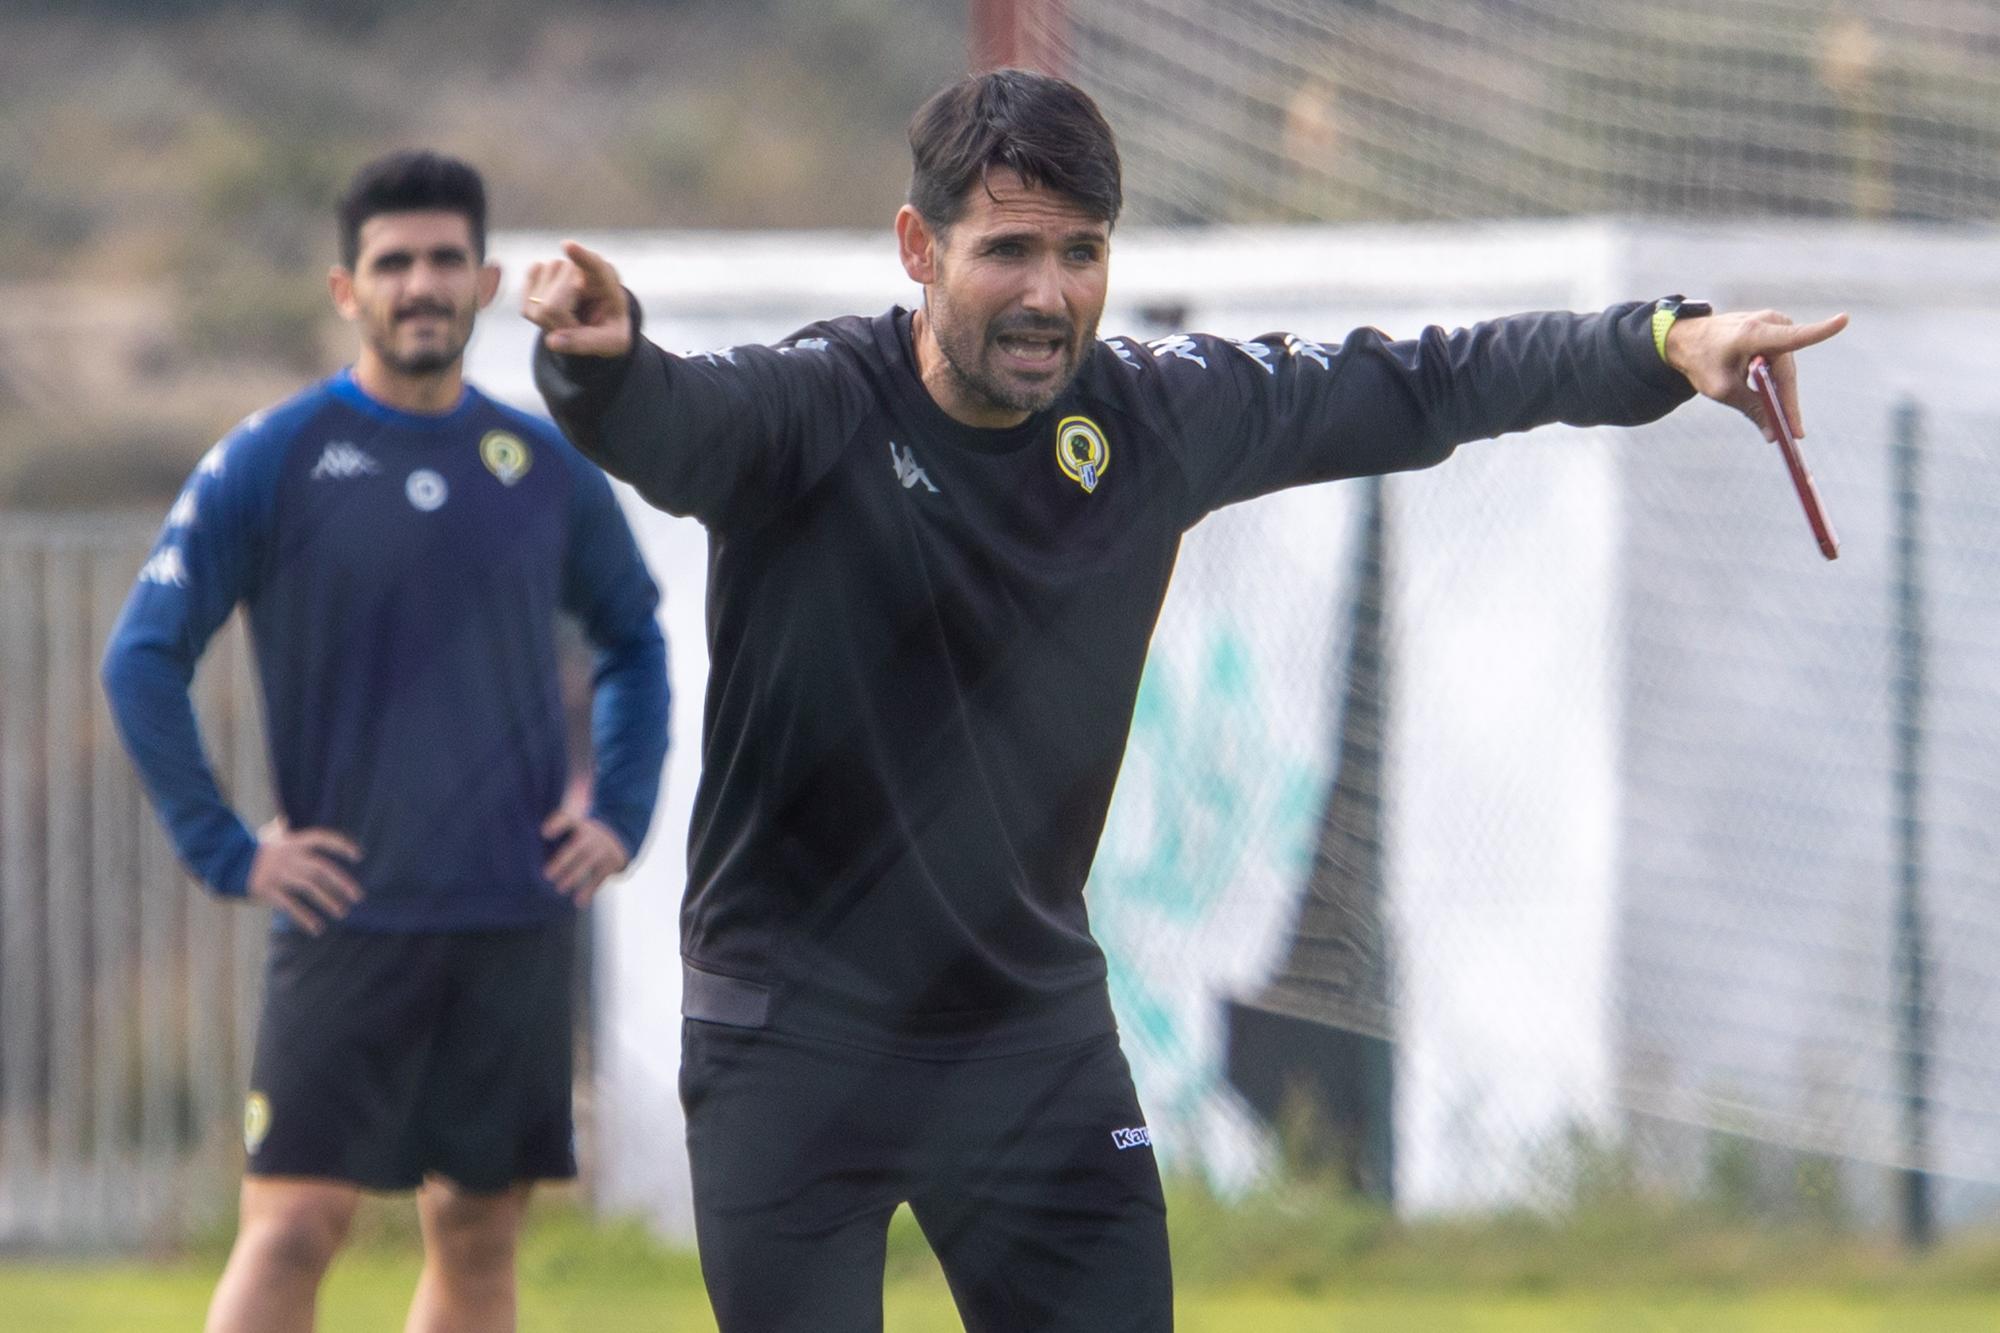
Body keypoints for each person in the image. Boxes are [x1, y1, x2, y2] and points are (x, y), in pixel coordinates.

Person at [522, 69, 1845, 1333]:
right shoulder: (816, 406)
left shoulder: (1153, 419)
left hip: (1021, 1028)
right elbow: (675, 423)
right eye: (1010, 253)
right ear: (919, 248)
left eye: (1083, 253)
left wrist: (1667, 340)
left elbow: (1424, 381)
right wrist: (600, 362)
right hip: (794, 1031)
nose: (1050, 295)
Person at [102, 150, 669, 1333]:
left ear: (487, 279)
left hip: (511, 915)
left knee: (474, 1235)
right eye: (393, 262)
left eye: (444, 260)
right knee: (295, 1224)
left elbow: (634, 638)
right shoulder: (276, 457)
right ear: (345, 289)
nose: (421, 283)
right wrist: (227, 849)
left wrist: (617, 813)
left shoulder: (542, 467)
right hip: (344, 913)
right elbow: (141, 655)